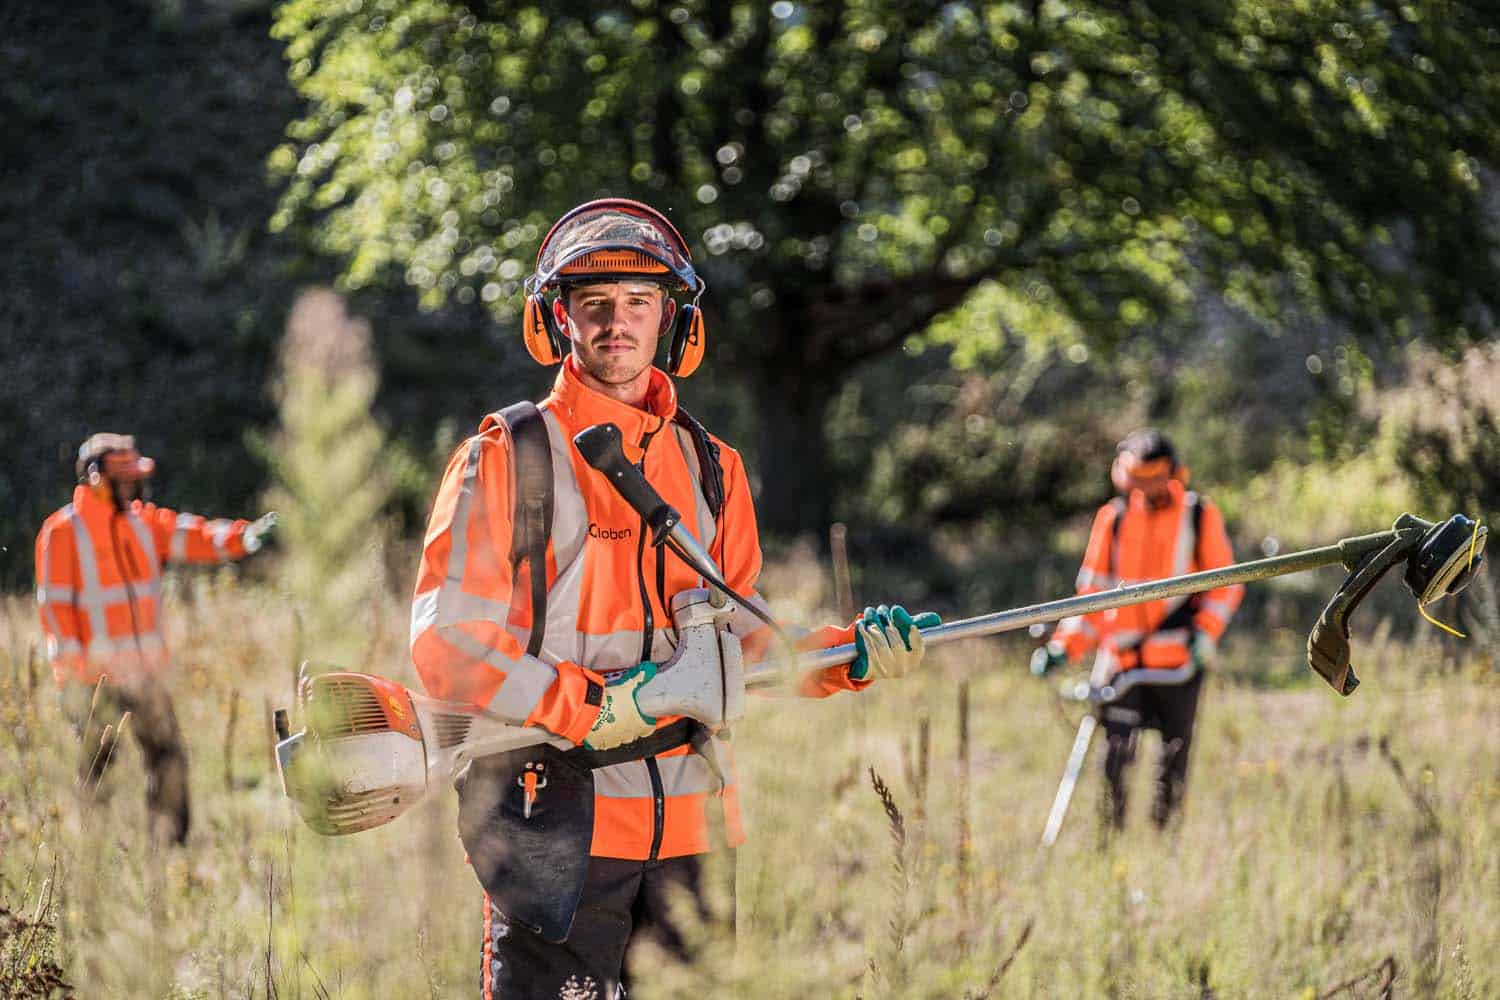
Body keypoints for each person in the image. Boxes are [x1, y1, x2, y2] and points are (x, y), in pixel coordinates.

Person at [409, 198, 937, 999]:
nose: (615, 323)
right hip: (552, 825)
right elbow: (448, 642)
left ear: (672, 321)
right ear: (558, 319)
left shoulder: (711, 466)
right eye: (594, 305)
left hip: (695, 832)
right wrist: (588, 706)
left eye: (637, 303)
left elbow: (745, 639)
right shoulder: (507, 458)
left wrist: (847, 655)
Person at [34, 433, 276, 845]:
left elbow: (194, 535)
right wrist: (77, 681)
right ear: (96, 479)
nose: (132, 487)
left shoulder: (143, 523)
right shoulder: (62, 532)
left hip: (144, 674)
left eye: (133, 479)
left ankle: (170, 851)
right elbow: (55, 611)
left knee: (169, 763)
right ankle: (91, 860)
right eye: (123, 479)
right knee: (97, 774)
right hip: (94, 682)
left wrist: (244, 537)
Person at [1033, 429, 1242, 830]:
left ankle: (1166, 846)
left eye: (1152, 480)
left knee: (1172, 764)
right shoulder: (1112, 520)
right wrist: (1064, 647)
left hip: (1178, 664)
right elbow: (1091, 598)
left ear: (1173, 473)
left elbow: (1226, 584)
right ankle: (1109, 846)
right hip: (1122, 665)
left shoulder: (1199, 515)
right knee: (1114, 762)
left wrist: (1205, 633)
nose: (1145, 489)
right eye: (1137, 481)